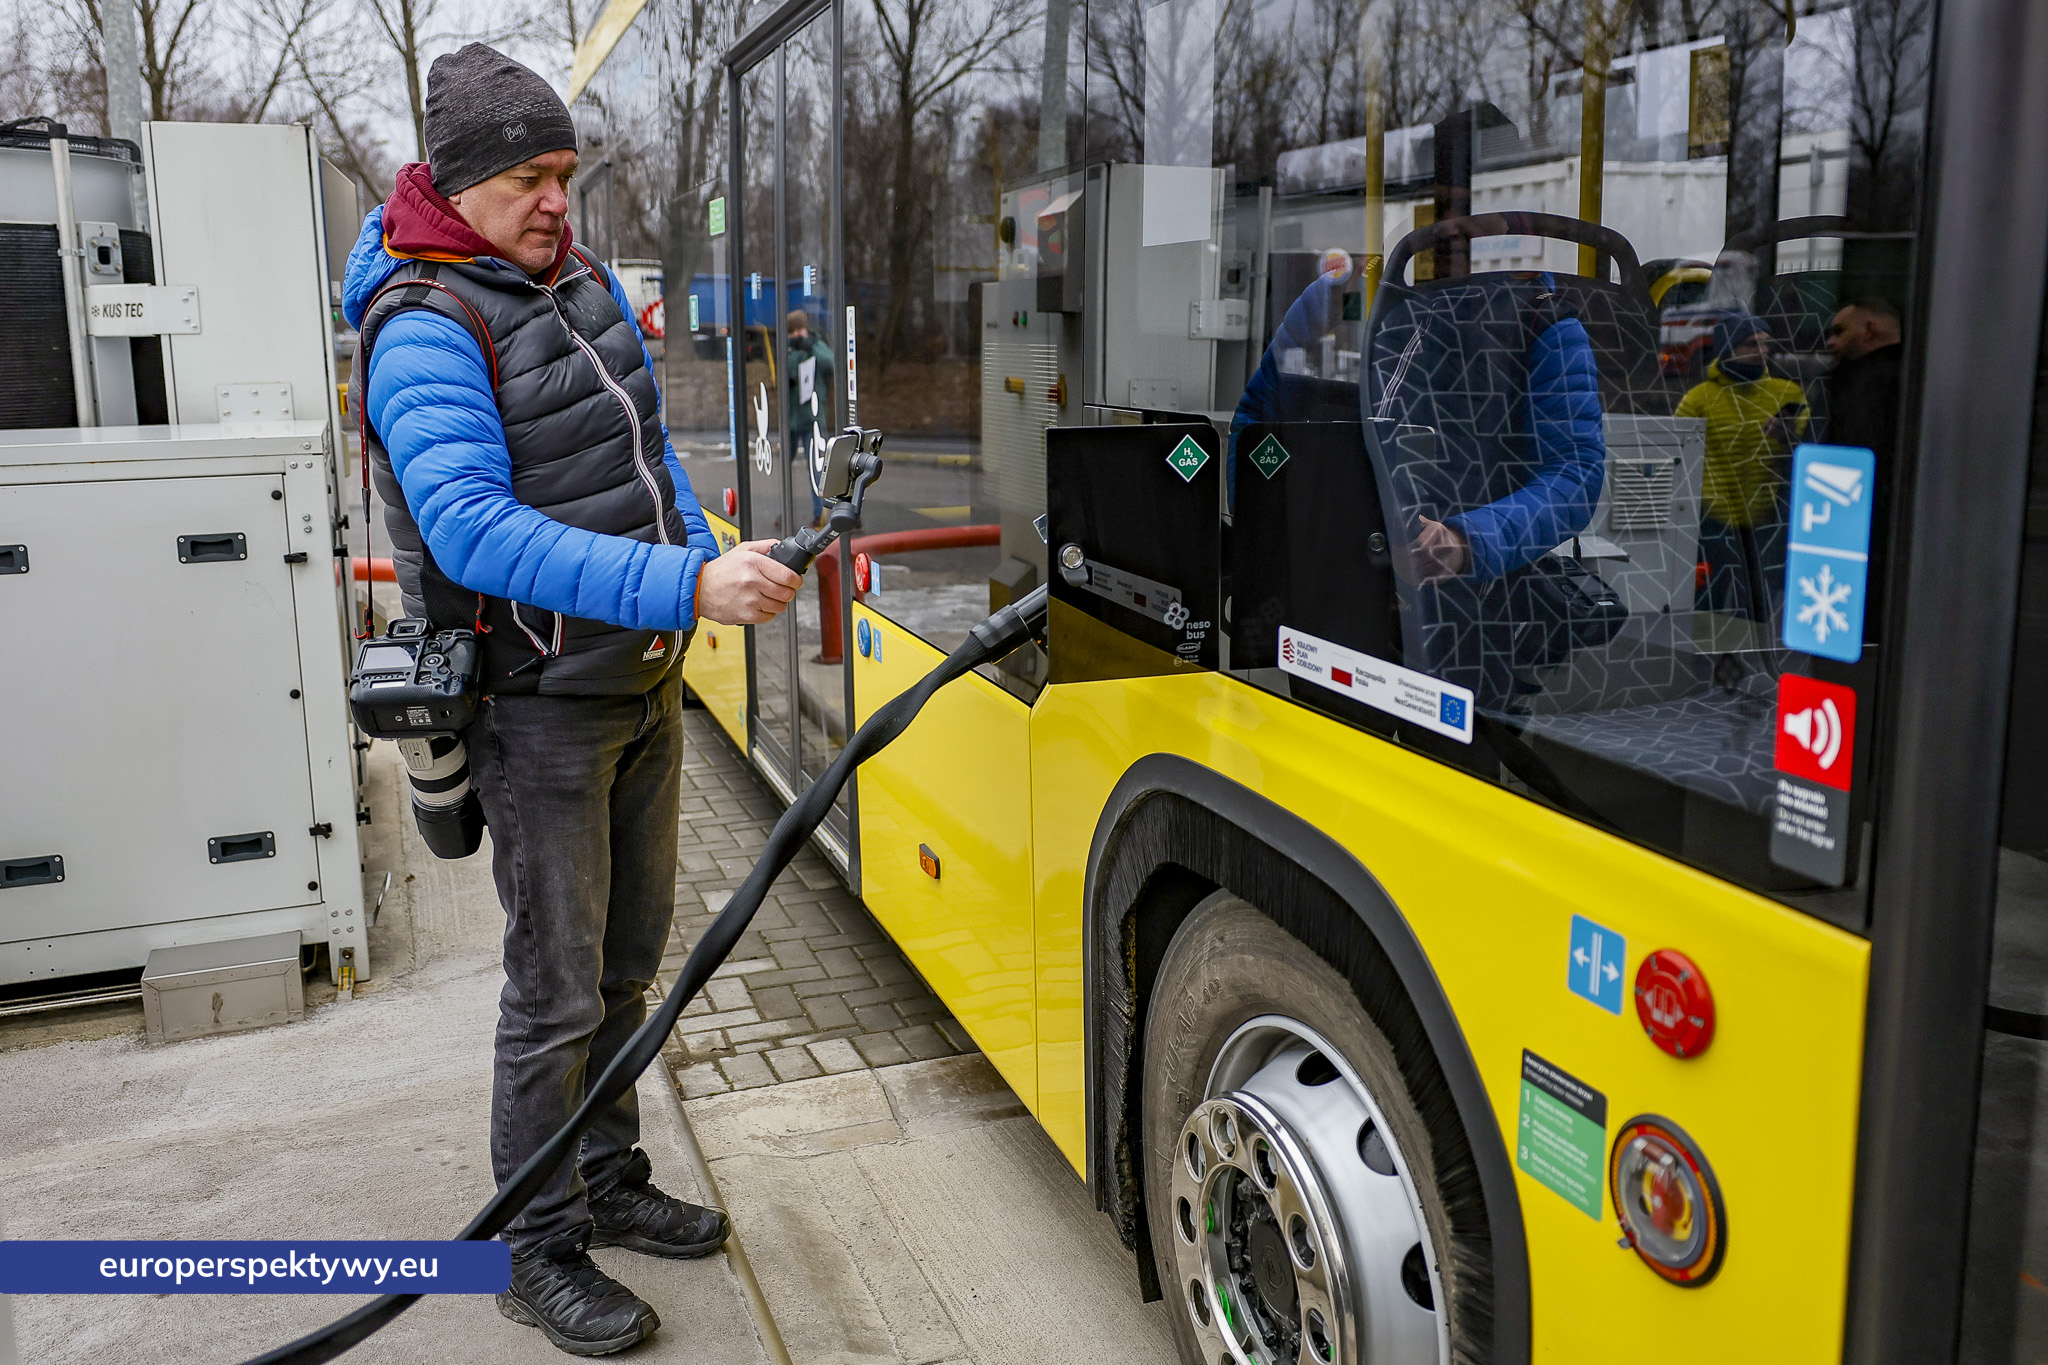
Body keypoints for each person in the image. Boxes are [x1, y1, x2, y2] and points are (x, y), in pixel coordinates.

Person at [340, 44, 801, 1357]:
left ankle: (605, 1178)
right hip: (541, 706)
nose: (560, 200)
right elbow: (475, 535)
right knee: (551, 992)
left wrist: (703, 562)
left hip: (633, 680)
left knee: (622, 963)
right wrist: (687, 586)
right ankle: (532, 1248)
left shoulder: (574, 279)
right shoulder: (427, 324)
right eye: (534, 178)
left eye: (569, 174)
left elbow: (648, 447)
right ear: (466, 182)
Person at [1675, 313, 1809, 622]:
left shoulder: (1787, 393)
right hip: (1713, 522)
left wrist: (1788, 435)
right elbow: (1677, 455)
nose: (1761, 352)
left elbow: (1810, 444)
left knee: (1755, 607)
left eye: (1765, 345)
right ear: (1729, 348)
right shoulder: (1699, 399)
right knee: (1706, 604)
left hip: (1766, 520)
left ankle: (1746, 666)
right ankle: (1705, 665)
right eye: (1751, 344)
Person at [1825, 296, 1904, 461]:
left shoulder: (1861, 385)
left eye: (1839, 331)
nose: (1830, 342)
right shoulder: (1916, 373)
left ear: (1869, 330)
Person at [786, 308, 834, 489]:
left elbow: (830, 363)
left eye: (799, 330)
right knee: (783, 468)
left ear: (806, 329)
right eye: (791, 332)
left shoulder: (816, 345)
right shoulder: (788, 349)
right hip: (790, 420)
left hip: (812, 418)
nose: (796, 335)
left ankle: (818, 514)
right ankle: (784, 512)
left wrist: (811, 347)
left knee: (816, 468)